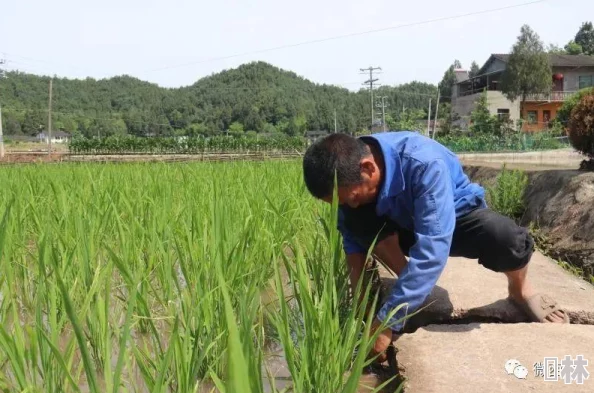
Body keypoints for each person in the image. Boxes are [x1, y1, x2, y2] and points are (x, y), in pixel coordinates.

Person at [302, 131, 569, 362]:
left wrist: (386, 323)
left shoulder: (423, 163)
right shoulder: (347, 174)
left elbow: (433, 248)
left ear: (369, 168)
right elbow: (352, 238)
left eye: (353, 198)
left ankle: (519, 290)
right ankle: (413, 286)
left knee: (506, 238)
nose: (351, 204)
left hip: (455, 217)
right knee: (357, 219)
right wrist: (358, 306)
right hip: (402, 223)